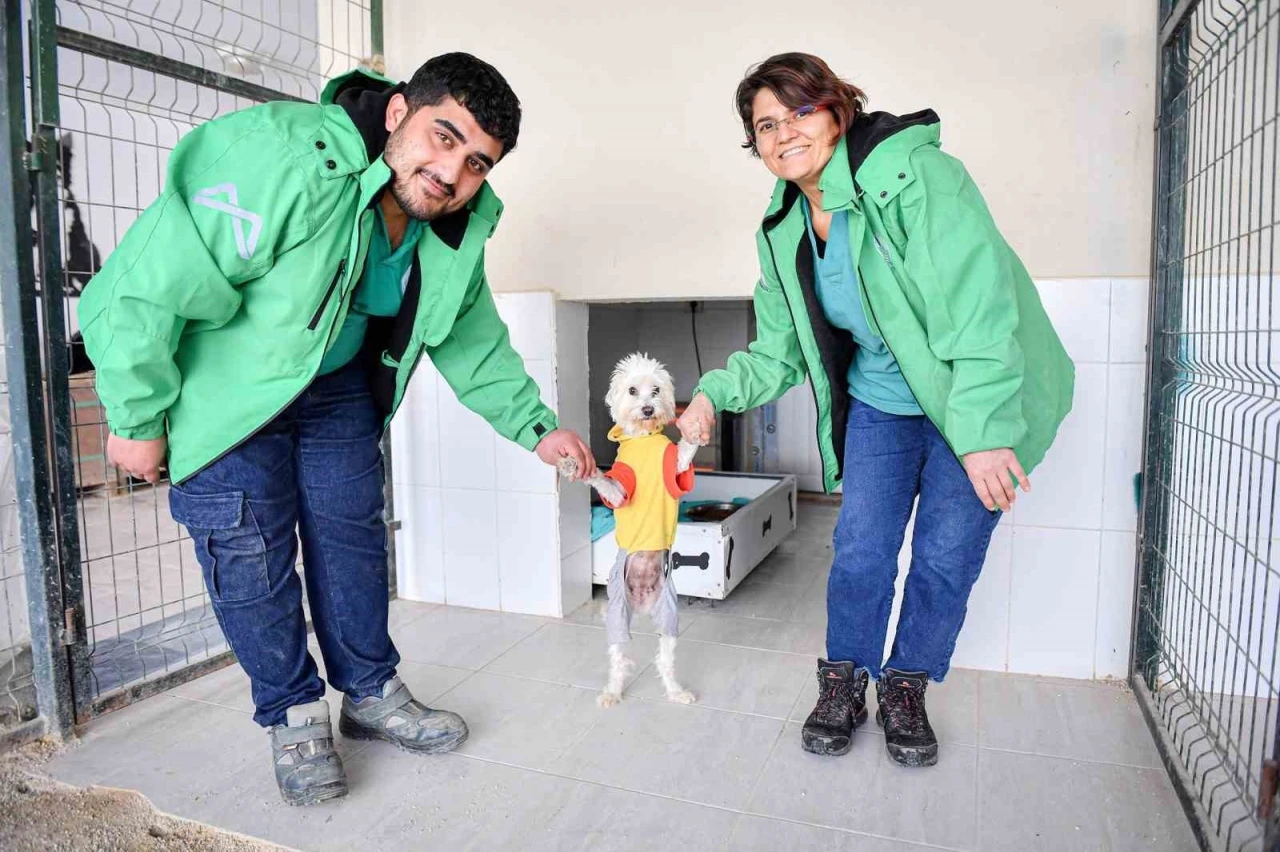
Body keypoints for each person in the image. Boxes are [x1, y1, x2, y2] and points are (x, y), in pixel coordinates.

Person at [78, 53, 596, 804]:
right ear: (398, 113)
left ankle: (371, 691)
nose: (451, 174)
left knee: (352, 539)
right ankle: (292, 714)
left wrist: (537, 428)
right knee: (250, 555)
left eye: (477, 163)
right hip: (230, 396)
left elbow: (469, 335)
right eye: (443, 137)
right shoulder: (285, 156)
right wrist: (136, 414)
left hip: (338, 390)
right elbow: (145, 284)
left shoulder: (451, 225)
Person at [677, 52, 1074, 768]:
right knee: (860, 550)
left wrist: (984, 433)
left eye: (799, 112)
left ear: (837, 111)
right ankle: (844, 682)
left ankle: (905, 687)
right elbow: (779, 350)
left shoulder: (916, 177)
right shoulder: (784, 229)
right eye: (765, 125)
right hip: (882, 406)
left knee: (946, 556)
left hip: (970, 403)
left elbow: (981, 311)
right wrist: (713, 394)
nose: (783, 134)